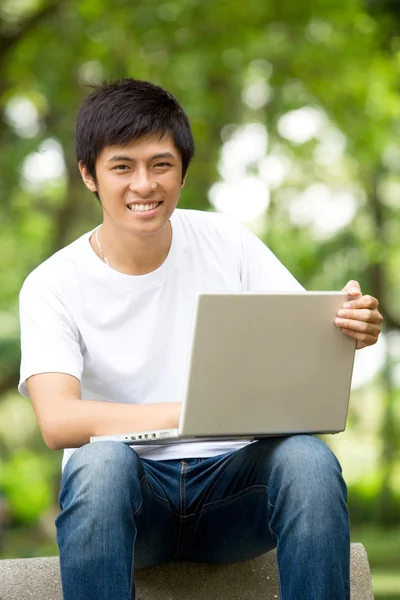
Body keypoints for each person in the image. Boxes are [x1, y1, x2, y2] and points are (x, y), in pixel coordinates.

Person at [18, 78, 383, 600]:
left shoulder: (226, 242)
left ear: (183, 171)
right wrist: (195, 410)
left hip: (234, 497)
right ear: (89, 175)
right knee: (98, 463)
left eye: (161, 164)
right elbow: (59, 422)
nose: (144, 184)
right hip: (131, 501)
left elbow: (304, 340)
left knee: (307, 459)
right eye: (122, 166)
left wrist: (352, 326)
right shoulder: (53, 283)